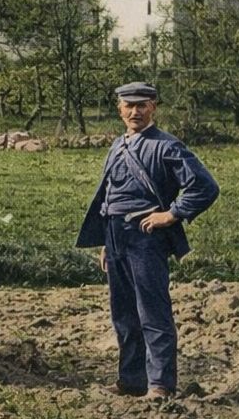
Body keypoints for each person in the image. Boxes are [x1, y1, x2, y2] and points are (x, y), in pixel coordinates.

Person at [76, 81, 219, 400]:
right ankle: (132, 380)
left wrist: (171, 215)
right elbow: (110, 194)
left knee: (153, 313)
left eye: (142, 105)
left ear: (154, 106)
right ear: (119, 109)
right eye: (128, 105)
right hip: (115, 236)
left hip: (145, 236)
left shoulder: (167, 146)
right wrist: (104, 241)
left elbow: (205, 187)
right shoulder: (117, 145)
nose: (135, 111)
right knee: (124, 314)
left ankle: (160, 385)